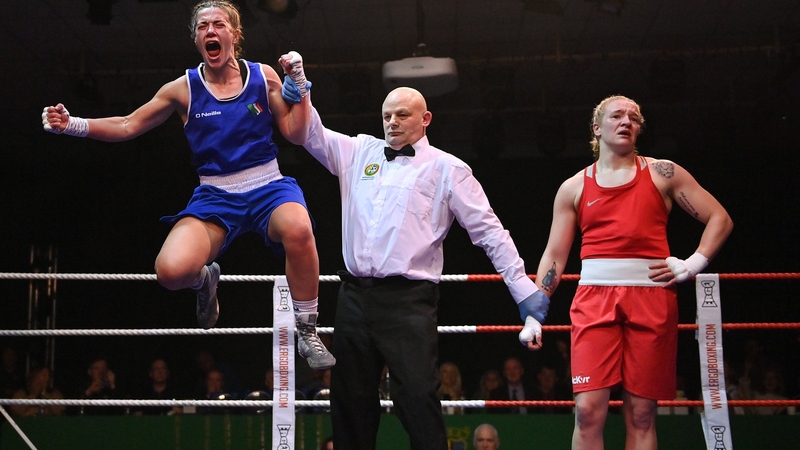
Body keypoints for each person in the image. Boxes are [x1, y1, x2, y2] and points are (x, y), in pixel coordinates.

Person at [40, 0, 333, 371]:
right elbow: (129, 124)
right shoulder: (182, 89)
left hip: (267, 185)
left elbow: (295, 132)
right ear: (196, 39)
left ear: (235, 34)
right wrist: (74, 125)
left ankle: (307, 330)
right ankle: (203, 281)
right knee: (171, 272)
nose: (210, 30)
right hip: (215, 195)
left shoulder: (263, 76)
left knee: (299, 228)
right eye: (202, 26)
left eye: (218, 24)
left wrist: (301, 86)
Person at [283, 65, 550, 448]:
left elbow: (490, 232)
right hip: (353, 297)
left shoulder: (447, 168)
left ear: (426, 119)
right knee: (349, 403)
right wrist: (301, 89)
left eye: (402, 114)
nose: (392, 121)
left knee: (417, 399)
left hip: (408, 301)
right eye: (387, 115)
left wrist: (522, 289)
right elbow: (312, 133)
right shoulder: (359, 151)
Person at [533, 95, 733, 449]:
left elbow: (720, 218)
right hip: (594, 300)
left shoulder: (663, 172)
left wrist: (693, 263)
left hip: (652, 297)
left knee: (641, 414)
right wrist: (535, 310)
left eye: (634, 117)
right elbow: (555, 255)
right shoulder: (574, 187)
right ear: (597, 128)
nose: (627, 121)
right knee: (587, 411)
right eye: (617, 115)